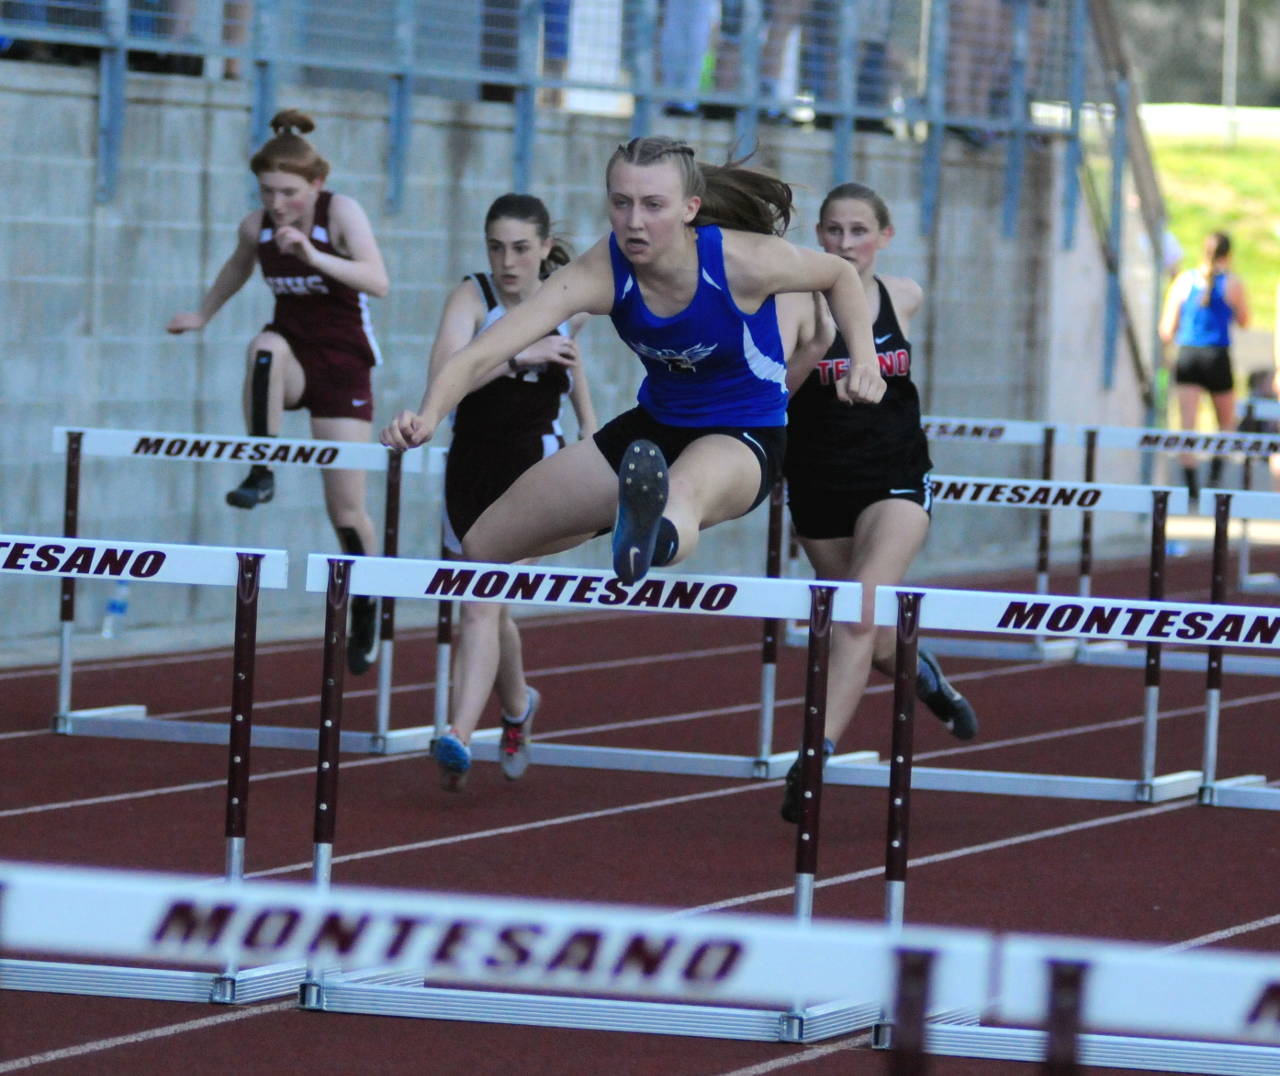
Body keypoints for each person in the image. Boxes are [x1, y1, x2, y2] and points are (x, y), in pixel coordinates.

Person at [382, 135, 885, 787]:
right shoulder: (602, 269)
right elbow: (481, 352)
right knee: (481, 553)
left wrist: (865, 359)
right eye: (620, 203)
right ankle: (518, 701)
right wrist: (427, 413)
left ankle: (648, 530)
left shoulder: (740, 261)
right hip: (653, 428)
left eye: (652, 205)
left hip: (744, 433)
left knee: (682, 495)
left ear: (689, 209)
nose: (634, 221)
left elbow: (841, 275)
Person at [779, 182, 978, 824]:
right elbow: (772, 391)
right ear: (818, 237)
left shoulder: (904, 296)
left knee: (860, 611)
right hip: (818, 484)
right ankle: (924, 675)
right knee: (864, 623)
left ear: (884, 237)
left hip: (894, 476)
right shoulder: (798, 307)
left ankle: (814, 757)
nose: (844, 243)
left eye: (859, 231)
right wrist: (816, 364)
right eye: (833, 231)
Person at [166, 108, 389, 676]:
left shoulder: (340, 213)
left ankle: (367, 603)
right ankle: (261, 468)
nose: (277, 203)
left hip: (342, 364)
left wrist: (314, 255)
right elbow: (238, 267)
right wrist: (203, 314)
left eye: (289, 192)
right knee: (262, 346)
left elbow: (378, 281)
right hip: (292, 354)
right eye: (267, 191)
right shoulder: (255, 225)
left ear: (314, 184)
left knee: (346, 509)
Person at [431, 193, 598, 791]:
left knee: (479, 599)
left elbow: (572, 361)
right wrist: (517, 354)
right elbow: (445, 378)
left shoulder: (565, 300)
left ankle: (455, 733)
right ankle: (518, 705)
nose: (508, 261)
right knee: (486, 603)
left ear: (545, 249)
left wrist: (590, 428)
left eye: (521, 248)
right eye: (496, 247)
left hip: (535, 471)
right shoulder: (471, 297)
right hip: (470, 466)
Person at [1158, 231, 1250, 498]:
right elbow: (1244, 320)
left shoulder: (1184, 281)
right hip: (1216, 356)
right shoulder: (1232, 283)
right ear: (1228, 255)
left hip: (1188, 355)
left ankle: (1192, 489)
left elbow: (1166, 329)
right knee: (1226, 423)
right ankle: (1215, 477)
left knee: (1188, 425)